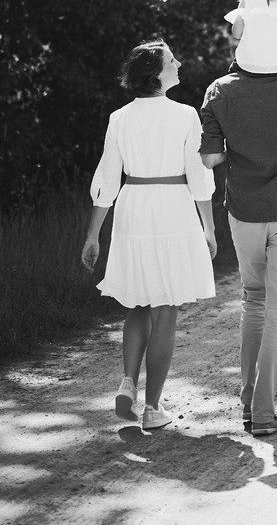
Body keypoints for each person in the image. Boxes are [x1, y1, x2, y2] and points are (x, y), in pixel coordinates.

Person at [200, 17, 277, 438]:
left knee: (253, 301)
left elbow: (210, 160)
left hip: (243, 210)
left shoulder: (219, 91)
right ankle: (263, 411)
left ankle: (248, 397)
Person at [82, 40, 217, 431]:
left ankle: (128, 382)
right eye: (172, 60)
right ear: (156, 73)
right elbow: (199, 178)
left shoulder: (120, 117)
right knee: (166, 310)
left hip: (133, 208)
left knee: (139, 304)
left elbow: (107, 179)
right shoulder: (186, 115)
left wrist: (93, 236)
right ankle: (153, 408)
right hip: (172, 209)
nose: (179, 63)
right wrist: (208, 228)